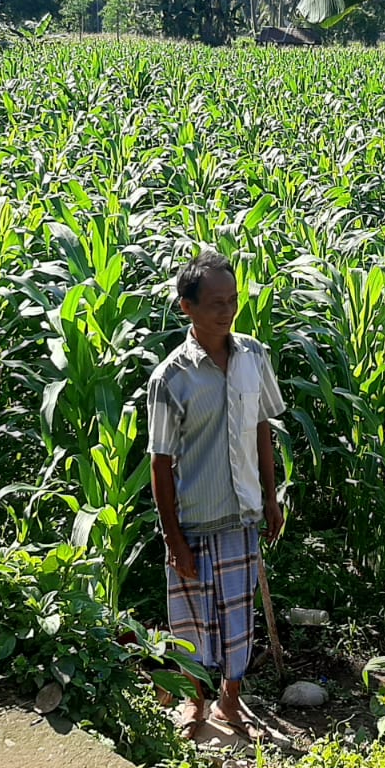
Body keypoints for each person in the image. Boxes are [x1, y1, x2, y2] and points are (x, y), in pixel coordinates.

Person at [148, 250, 286, 738]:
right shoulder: (171, 378)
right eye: (214, 303)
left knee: (235, 615)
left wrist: (272, 497)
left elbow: (262, 427)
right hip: (194, 517)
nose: (226, 312)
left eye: (232, 301)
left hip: (243, 511)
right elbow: (160, 462)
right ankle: (193, 702)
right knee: (190, 620)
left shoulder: (254, 356)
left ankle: (230, 701)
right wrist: (173, 539)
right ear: (186, 307)